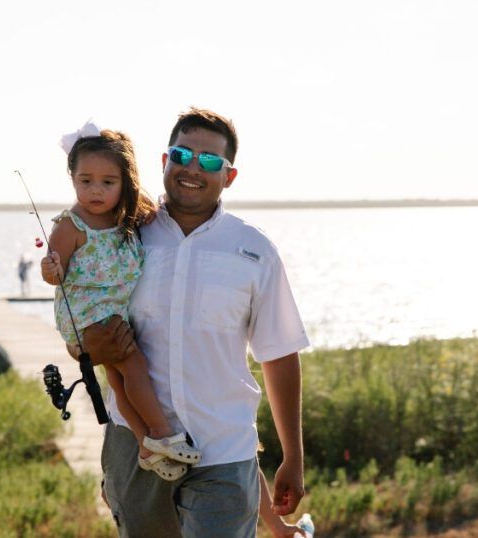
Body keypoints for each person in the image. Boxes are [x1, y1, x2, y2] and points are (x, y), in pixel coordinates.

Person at [81, 108, 309, 536]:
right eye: (182, 154)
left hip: (225, 451)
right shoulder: (124, 237)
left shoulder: (254, 251)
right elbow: (83, 315)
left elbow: (279, 354)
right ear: (164, 160)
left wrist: (293, 457)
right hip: (138, 447)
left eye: (209, 162)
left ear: (229, 176)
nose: (192, 169)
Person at [41, 122, 201, 481]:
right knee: (134, 367)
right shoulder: (70, 226)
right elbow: (53, 274)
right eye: (86, 181)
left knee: (118, 379)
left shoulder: (126, 216)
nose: (95, 190)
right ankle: (163, 433)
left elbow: (158, 218)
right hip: (86, 316)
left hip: (111, 312)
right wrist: (50, 267)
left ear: (124, 182)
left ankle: (145, 445)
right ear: (72, 179)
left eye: (107, 182)